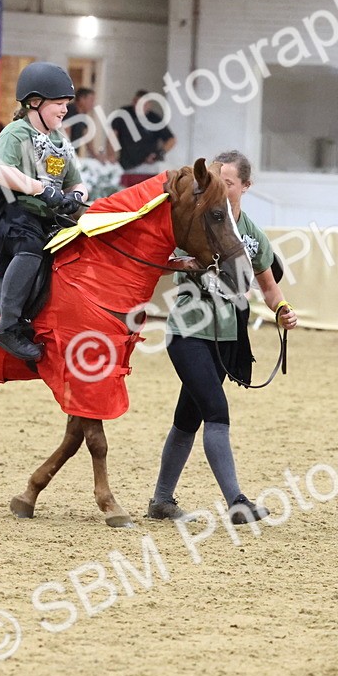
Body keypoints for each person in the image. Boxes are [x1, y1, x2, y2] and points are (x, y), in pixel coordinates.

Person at [146, 150, 299, 525]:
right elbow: (157, 260)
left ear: (246, 186)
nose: (220, 187)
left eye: (228, 182)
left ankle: (161, 501)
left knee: (188, 418)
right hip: (188, 329)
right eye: (216, 180)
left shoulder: (253, 234)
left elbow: (269, 287)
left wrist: (282, 309)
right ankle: (237, 502)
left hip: (227, 335)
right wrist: (185, 263)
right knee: (216, 411)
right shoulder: (195, 217)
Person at [0, 62, 89, 361]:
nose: (65, 110)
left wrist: (75, 196)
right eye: (59, 104)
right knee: (31, 247)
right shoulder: (15, 133)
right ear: (35, 103)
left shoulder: (60, 141)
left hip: (46, 217)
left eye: (66, 104)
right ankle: (7, 327)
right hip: (10, 214)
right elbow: (0, 170)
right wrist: (40, 189)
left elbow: (77, 181)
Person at [111, 90, 175, 174]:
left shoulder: (154, 119)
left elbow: (171, 140)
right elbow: (112, 136)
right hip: (126, 164)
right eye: (137, 103)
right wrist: (111, 155)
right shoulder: (124, 114)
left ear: (149, 105)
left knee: (165, 169)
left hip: (147, 164)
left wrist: (159, 154)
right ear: (133, 102)